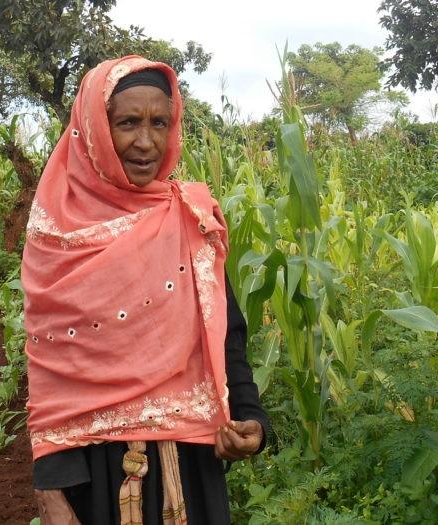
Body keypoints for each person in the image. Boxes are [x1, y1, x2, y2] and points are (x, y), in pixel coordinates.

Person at [21, 55, 270, 525]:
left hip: (190, 465)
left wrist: (252, 419)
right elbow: (51, 373)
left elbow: (226, 333)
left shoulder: (189, 216)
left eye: (160, 123)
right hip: (95, 471)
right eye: (128, 122)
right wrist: (51, 491)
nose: (145, 141)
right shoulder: (56, 236)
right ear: (95, 128)